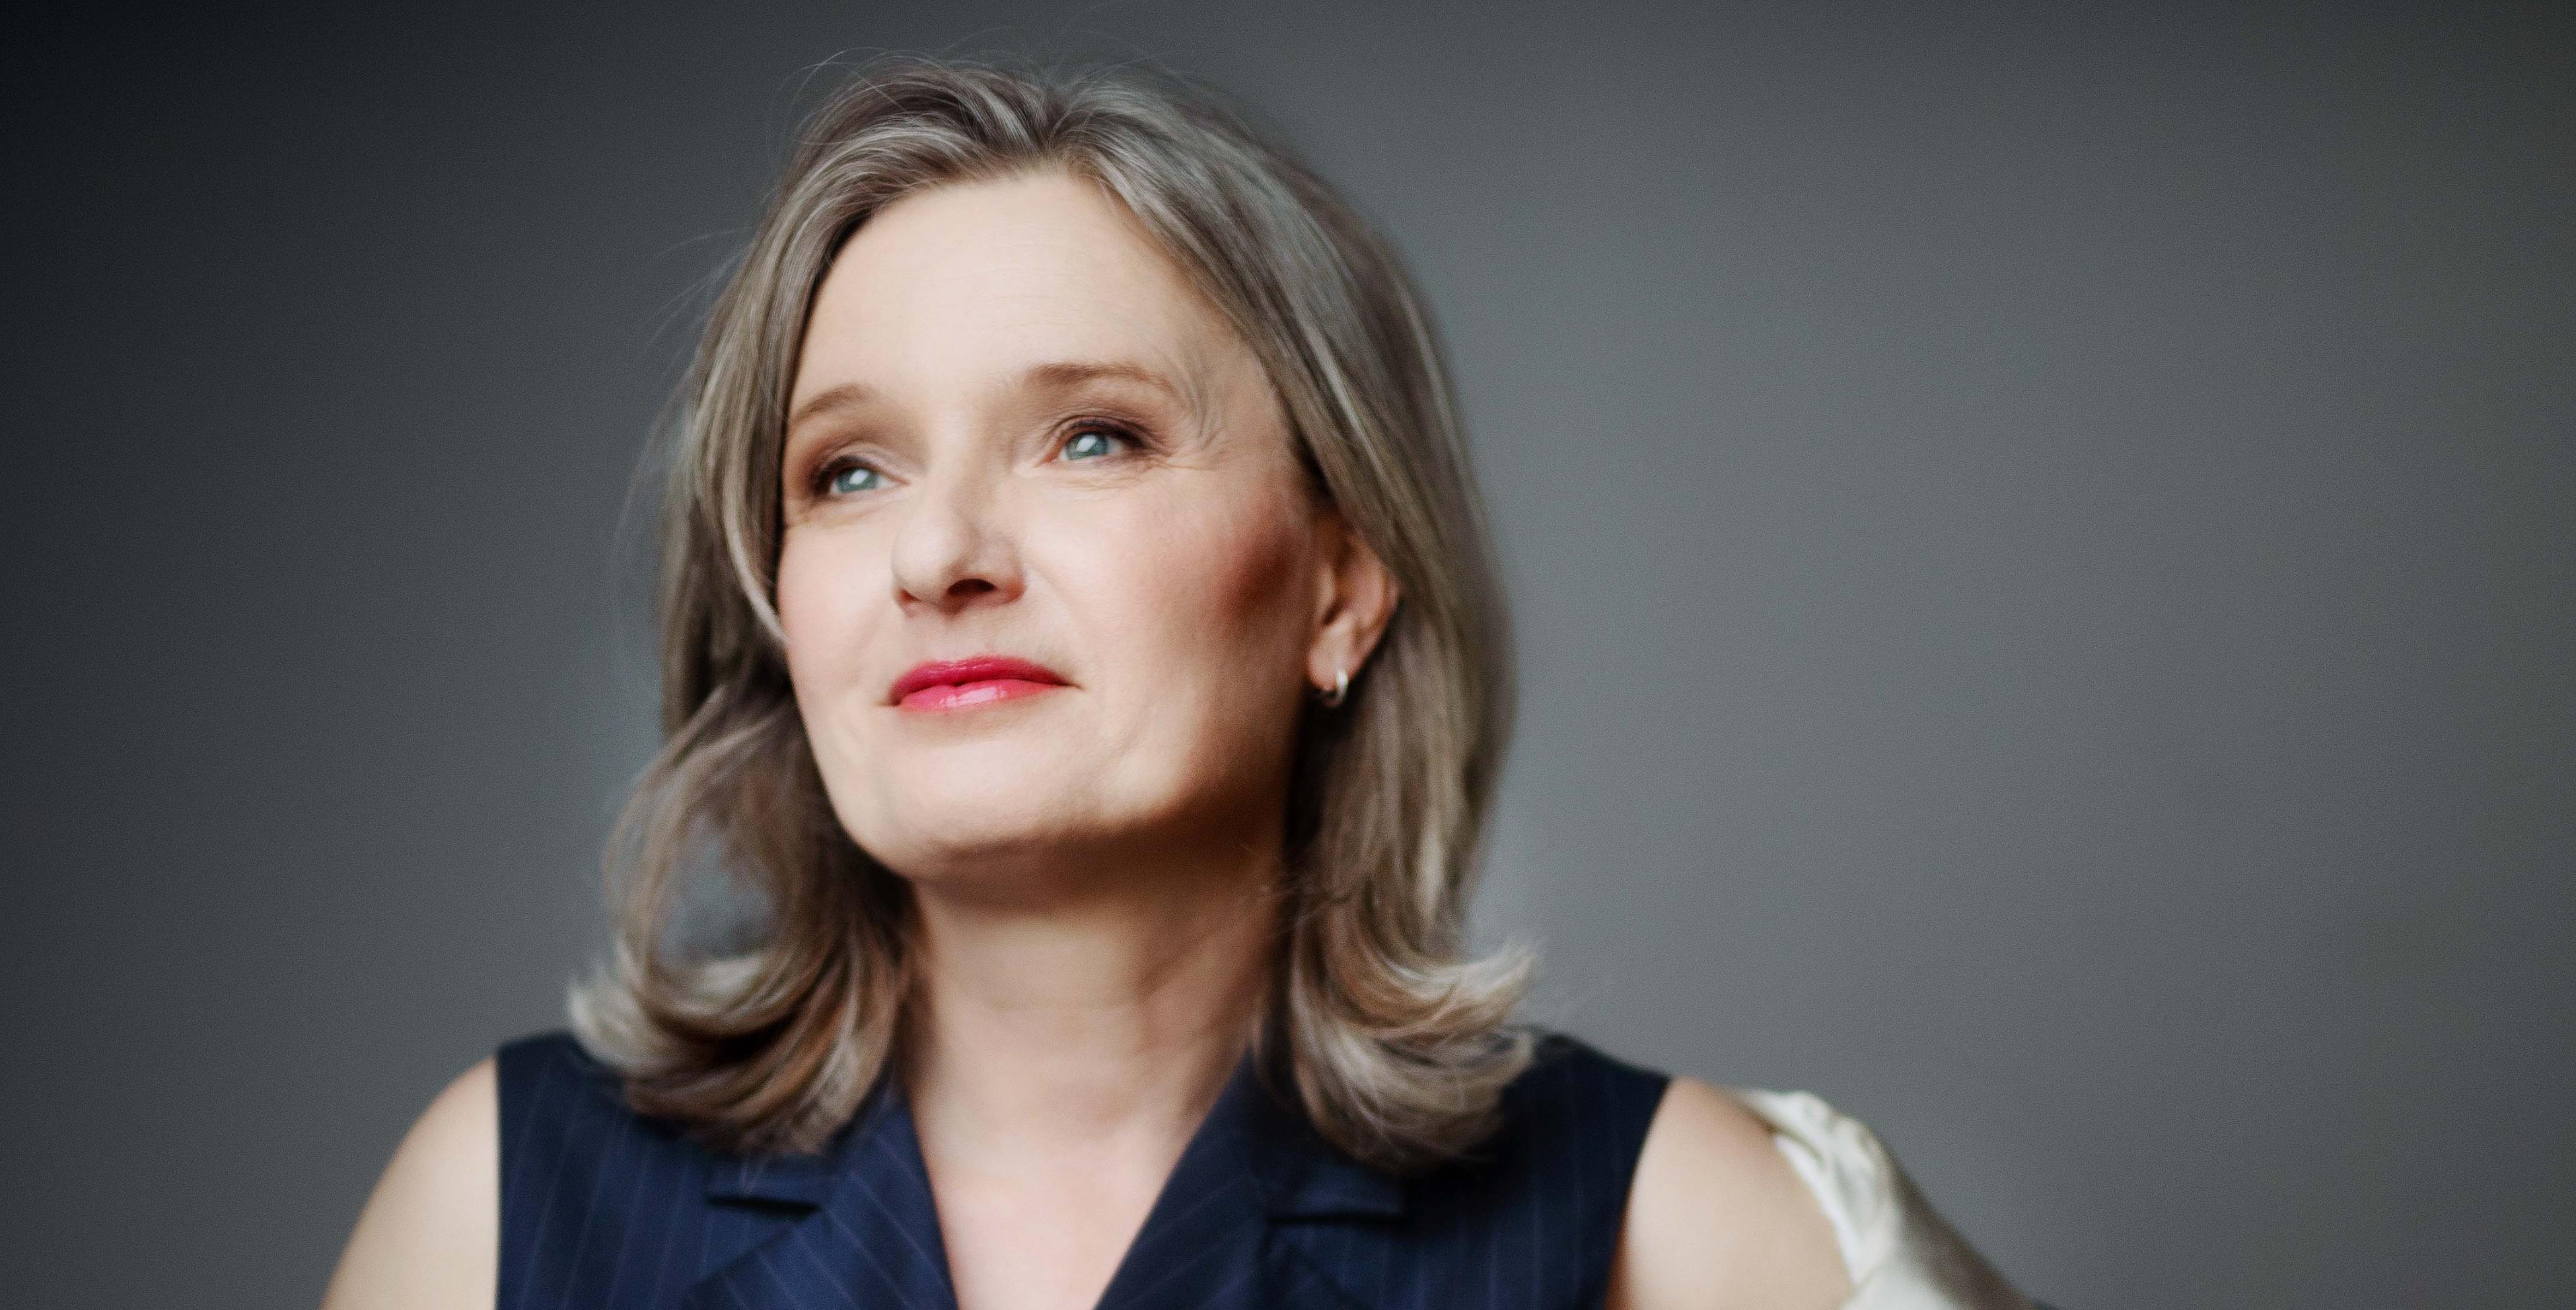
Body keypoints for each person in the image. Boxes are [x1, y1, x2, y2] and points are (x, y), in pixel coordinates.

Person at [322, 59, 2044, 1310]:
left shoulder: (1681, 1225)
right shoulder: (502, 1205)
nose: (940, 553)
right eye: (847, 472)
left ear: (1340, 585)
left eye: (1094, 437)